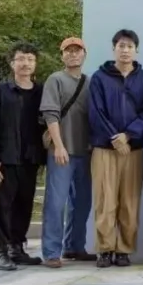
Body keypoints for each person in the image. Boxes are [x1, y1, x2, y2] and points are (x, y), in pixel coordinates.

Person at [88, 29, 143, 268]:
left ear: (136, 50)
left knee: (129, 202)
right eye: (121, 46)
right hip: (104, 149)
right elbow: (95, 112)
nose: (125, 50)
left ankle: (124, 250)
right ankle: (105, 249)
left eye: (129, 46)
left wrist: (128, 136)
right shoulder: (99, 77)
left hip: (132, 150)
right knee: (105, 200)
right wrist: (114, 138)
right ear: (113, 48)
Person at [0, 42, 46, 271]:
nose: (25, 63)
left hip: (30, 159)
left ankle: (17, 248)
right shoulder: (0, 93)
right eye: (21, 59)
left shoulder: (41, 93)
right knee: (2, 206)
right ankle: (0, 252)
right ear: (12, 63)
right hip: (6, 160)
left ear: (35, 64)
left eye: (30, 59)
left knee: (24, 205)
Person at [40, 37, 94, 269]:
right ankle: (51, 252)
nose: (73, 54)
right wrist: (59, 145)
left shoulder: (89, 82)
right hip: (61, 151)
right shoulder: (55, 79)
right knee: (56, 203)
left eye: (77, 50)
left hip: (85, 151)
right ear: (62, 55)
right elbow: (50, 114)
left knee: (82, 202)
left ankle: (74, 246)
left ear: (84, 54)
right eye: (68, 51)